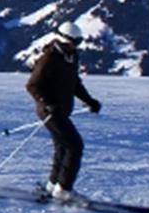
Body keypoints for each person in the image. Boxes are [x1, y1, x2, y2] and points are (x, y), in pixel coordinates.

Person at [25, 21, 102, 201]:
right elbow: (32, 85)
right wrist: (47, 103)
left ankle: (53, 185)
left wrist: (89, 101)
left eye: (78, 42)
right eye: (73, 42)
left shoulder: (72, 56)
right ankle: (64, 189)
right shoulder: (49, 58)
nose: (75, 46)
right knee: (75, 146)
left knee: (62, 146)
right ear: (62, 39)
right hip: (50, 111)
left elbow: (74, 83)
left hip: (62, 110)